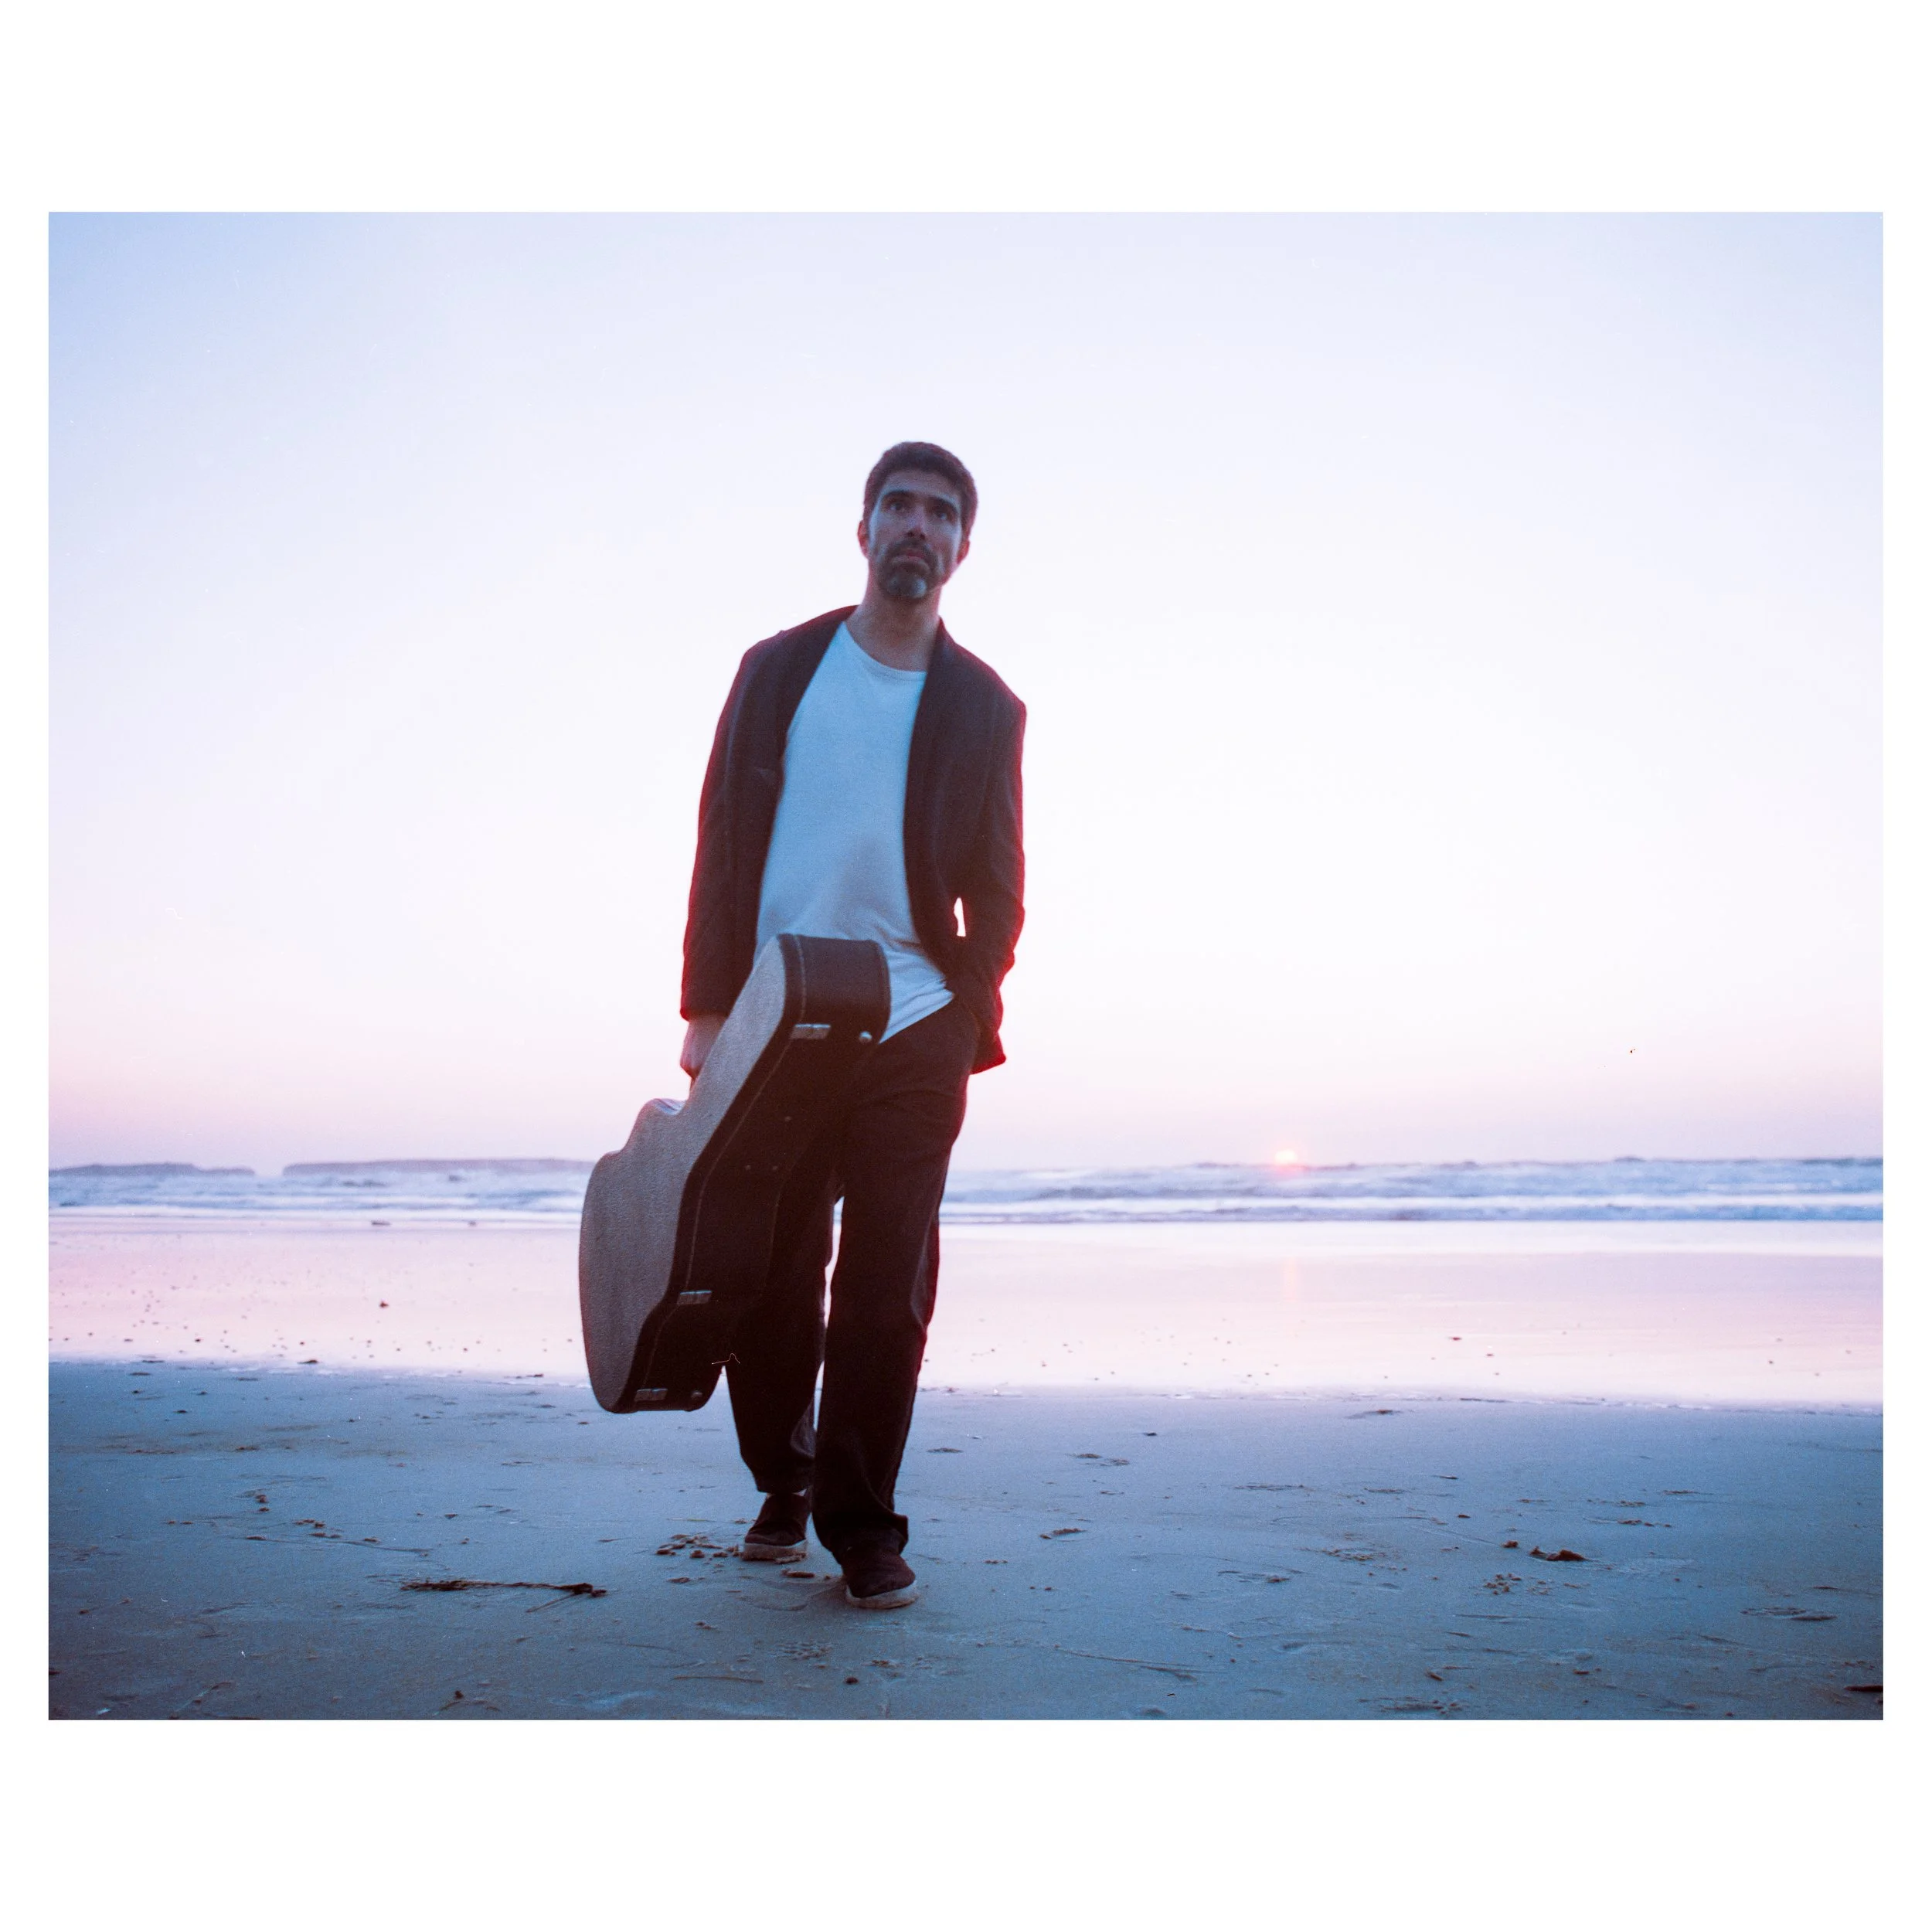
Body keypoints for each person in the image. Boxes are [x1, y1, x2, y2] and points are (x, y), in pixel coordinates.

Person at [678, 441, 1026, 1610]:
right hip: (780, 1013)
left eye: (942, 513)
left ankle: (863, 1525)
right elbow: (723, 840)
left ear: (961, 548)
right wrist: (707, 1007)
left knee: (889, 1280)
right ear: (865, 528)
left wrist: (968, 1004)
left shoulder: (987, 707)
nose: (919, 526)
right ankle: (784, 1475)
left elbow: (1002, 881)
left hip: (917, 1016)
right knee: (774, 1270)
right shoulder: (780, 670)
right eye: (900, 506)